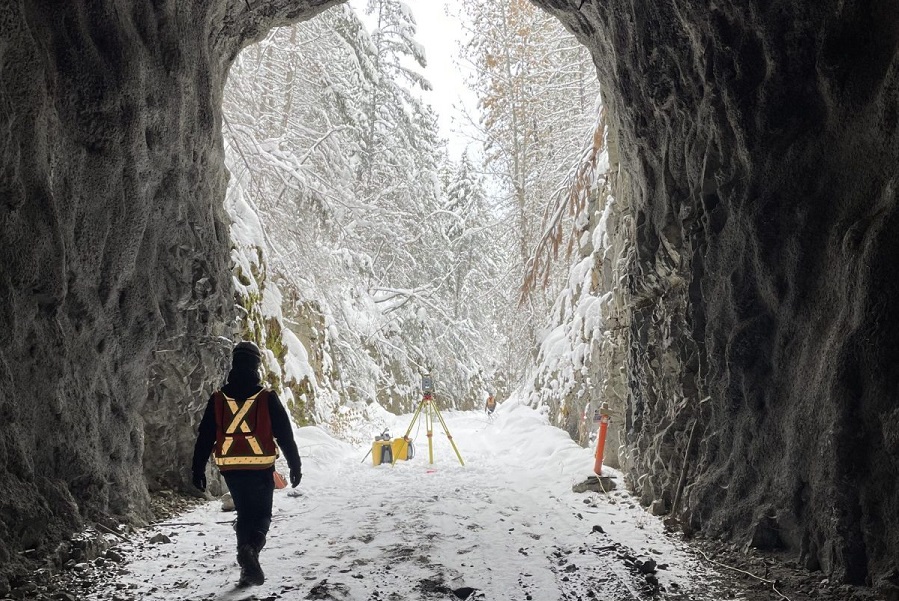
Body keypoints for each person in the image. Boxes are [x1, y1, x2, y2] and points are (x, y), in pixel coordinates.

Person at [191, 341, 302, 588]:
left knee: (244, 515)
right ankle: (251, 550)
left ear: (234, 364)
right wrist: (295, 465)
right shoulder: (267, 397)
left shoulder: (218, 399)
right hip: (261, 467)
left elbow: (205, 437)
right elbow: (285, 435)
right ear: (256, 366)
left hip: (231, 468)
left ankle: (246, 566)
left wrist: (197, 469)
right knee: (262, 515)